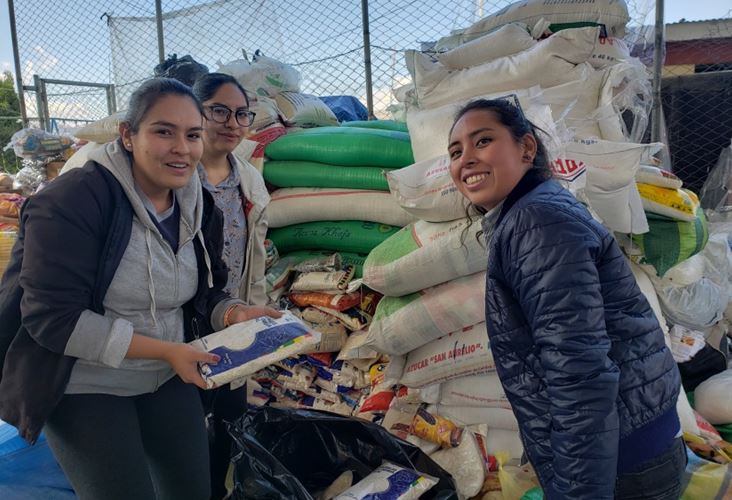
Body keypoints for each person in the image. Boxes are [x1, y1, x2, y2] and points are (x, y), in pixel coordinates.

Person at [0, 77, 279, 500]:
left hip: (166, 373)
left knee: (192, 490)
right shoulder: (74, 200)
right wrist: (167, 350)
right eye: (163, 131)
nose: (181, 149)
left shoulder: (196, 200)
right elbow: (51, 319)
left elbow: (206, 291)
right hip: (84, 382)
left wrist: (233, 313)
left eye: (192, 135)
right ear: (128, 135)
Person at [447, 98, 685, 499]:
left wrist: (579, 492)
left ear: (526, 148)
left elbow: (580, 371)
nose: (466, 159)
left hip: (621, 466)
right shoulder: (534, 211)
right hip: (630, 449)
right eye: (455, 152)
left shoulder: (535, 223)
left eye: (482, 141)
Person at [191, 73, 270, 499]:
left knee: (229, 416)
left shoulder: (249, 180)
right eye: (218, 110)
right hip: (183, 321)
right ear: (196, 112)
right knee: (188, 422)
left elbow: (254, 260)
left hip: (233, 317)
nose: (231, 122)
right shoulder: (179, 173)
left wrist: (254, 318)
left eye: (241, 113)